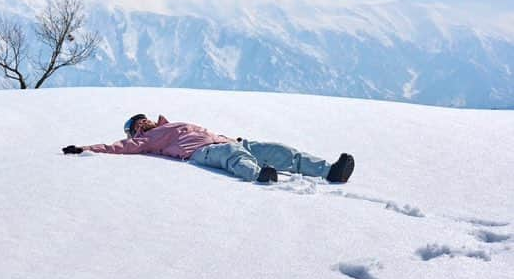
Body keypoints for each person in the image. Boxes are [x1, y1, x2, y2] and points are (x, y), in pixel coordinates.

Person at [62, 113, 355, 184]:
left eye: (143, 117)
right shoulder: (145, 141)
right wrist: (85, 148)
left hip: (227, 140)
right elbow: (117, 148)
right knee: (234, 159)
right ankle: (260, 176)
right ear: (135, 132)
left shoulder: (169, 123)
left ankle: (330, 171)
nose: (144, 122)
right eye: (138, 124)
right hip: (204, 152)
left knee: (278, 151)